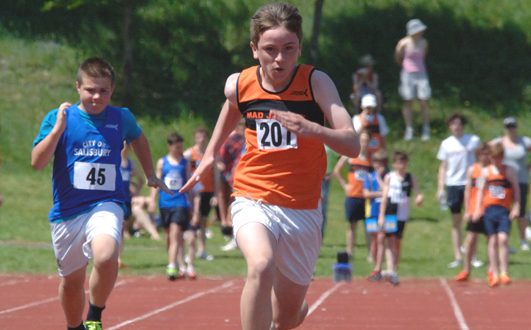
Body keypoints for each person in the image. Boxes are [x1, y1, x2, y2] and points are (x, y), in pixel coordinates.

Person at [180, 3, 359, 329]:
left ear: (299, 48)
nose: (280, 59)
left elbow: (352, 143)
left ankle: (291, 311)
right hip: (253, 196)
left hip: (303, 209)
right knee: (260, 266)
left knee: (286, 318)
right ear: (254, 49)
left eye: (289, 49)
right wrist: (208, 156)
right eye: (270, 50)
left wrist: (312, 129)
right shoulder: (239, 84)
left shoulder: (316, 83)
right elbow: (231, 110)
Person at [31, 57, 170, 330]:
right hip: (67, 212)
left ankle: (95, 313)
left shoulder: (121, 117)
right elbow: (37, 162)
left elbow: (138, 138)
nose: (96, 97)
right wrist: (58, 130)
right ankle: (75, 326)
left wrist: (150, 172)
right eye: (90, 90)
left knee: (106, 255)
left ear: (112, 90)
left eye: (103, 91)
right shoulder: (60, 117)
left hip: (106, 203)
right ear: (78, 88)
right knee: (72, 282)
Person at [370, 151, 423, 286]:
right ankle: (391, 270)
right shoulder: (390, 177)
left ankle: (394, 269)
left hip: (403, 213)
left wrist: (419, 198)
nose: (401, 165)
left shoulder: (410, 177)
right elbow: (385, 197)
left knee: (397, 241)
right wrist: (381, 215)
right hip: (391, 210)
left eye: (404, 162)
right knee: (390, 239)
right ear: (394, 164)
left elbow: (418, 192)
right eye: (399, 162)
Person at [436, 113, 481, 269]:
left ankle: (472, 255)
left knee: (472, 220)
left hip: (471, 183)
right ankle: (458, 256)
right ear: (450, 126)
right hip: (453, 184)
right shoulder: (446, 144)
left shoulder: (473, 140)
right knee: (456, 221)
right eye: (453, 124)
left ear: (463, 125)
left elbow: (480, 161)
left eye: (459, 123)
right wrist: (440, 187)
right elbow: (443, 167)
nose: (456, 126)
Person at [152, 132, 196, 280]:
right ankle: (178, 263)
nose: (179, 150)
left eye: (181, 147)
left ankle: (171, 265)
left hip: (180, 203)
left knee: (176, 233)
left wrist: (192, 205)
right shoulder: (162, 162)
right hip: (165, 204)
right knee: (170, 237)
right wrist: (152, 200)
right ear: (170, 146)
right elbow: (157, 182)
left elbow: (189, 183)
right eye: (177, 147)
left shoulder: (185, 163)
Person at [475, 143, 520, 287]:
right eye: (494, 158)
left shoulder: (509, 171)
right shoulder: (486, 171)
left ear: (502, 157)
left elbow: (517, 190)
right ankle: (493, 272)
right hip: (489, 209)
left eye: (499, 158)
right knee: (492, 241)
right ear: (490, 157)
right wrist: (477, 209)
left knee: (503, 239)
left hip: (503, 210)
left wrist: (516, 207)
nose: (496, 161)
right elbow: (480, 192)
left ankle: (504, 272)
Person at [489, 117, 531, 251]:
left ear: (516, 127)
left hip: (521, 179)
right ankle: (504, 242)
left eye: (513, 126)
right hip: (503, 182)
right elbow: (486, 149)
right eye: (508, 126)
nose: (511, 129)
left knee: (521, 211)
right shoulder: (499, 142)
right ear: (505, 128)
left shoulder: (524, 142)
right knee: (502, 210)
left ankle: (523, 240)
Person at [454, 144, 491, 282]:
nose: (485, 156)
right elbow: (468, 190)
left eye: (487, 154)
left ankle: (491, 270)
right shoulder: (472, 169)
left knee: (490, 241)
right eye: (482, 154)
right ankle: (466, 269)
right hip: (475, 209)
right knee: (470, 240)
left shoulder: (492, 170)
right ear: (478, 155)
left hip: (489, 209)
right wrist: (468, 210)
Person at [333, 129, 371, 258]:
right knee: (352, 226)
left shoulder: (370, 158)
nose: (364, 143)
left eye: (366, 141)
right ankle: (350, 252)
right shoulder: (351, 155)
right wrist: (345, 185)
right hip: (353, 195)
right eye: (362, 140)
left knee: (368, 227)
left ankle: (371, 253)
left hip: (366, 197)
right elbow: (337, 170)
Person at [394, 18, 431, 141]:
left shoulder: (424, 42)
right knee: (408, 100)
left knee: (424, 100)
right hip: (407, 73)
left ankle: (426, 127)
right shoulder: (403, 43)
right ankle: (409, 128)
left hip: (421, 73)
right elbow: (398, 57)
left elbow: (424, 56)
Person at [184, 127, 215, 261]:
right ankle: (189, 251)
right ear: (195, 138)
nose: (201, 139)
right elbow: (182, 168)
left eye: (203, 137)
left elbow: (216, 175)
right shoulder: (190, 154)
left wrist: (216, 194)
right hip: (194, 192)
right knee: (192, 221)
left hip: (208, 191)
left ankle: (202, 250)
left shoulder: (210, 154)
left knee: (203, 221)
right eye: (199, 137)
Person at [118, 142, 144, 268]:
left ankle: (118, 257)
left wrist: (136, 192)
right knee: (118, 227)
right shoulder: (114, 160)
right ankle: (114, 257)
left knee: (122, 229)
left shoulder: (130, 163)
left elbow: (141, 179)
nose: (126, 147)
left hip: (126, 199)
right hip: (115, 199)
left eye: (127, 145)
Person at [363, 150, 389, 264]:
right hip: (372, 211)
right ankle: (374, 263)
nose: (378, 165)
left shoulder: (388, 177)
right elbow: (366, 194)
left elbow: (388, 192)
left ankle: (382, 262)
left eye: (381, 163)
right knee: (373, 238)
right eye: (376, 162)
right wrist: (380, 193)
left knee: (383, 237)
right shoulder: (369, 177)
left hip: (387, 211)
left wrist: (379, 178)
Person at [352, 94, 389, 159]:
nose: (369, 109)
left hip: (376, 155)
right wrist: (363, 124)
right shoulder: (356, 119)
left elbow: (383, 137)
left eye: (370, 107)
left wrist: (384, 151)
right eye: (367, 107)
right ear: (362, 106)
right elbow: (354, 137)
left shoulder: (380, 118)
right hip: (361, 154)